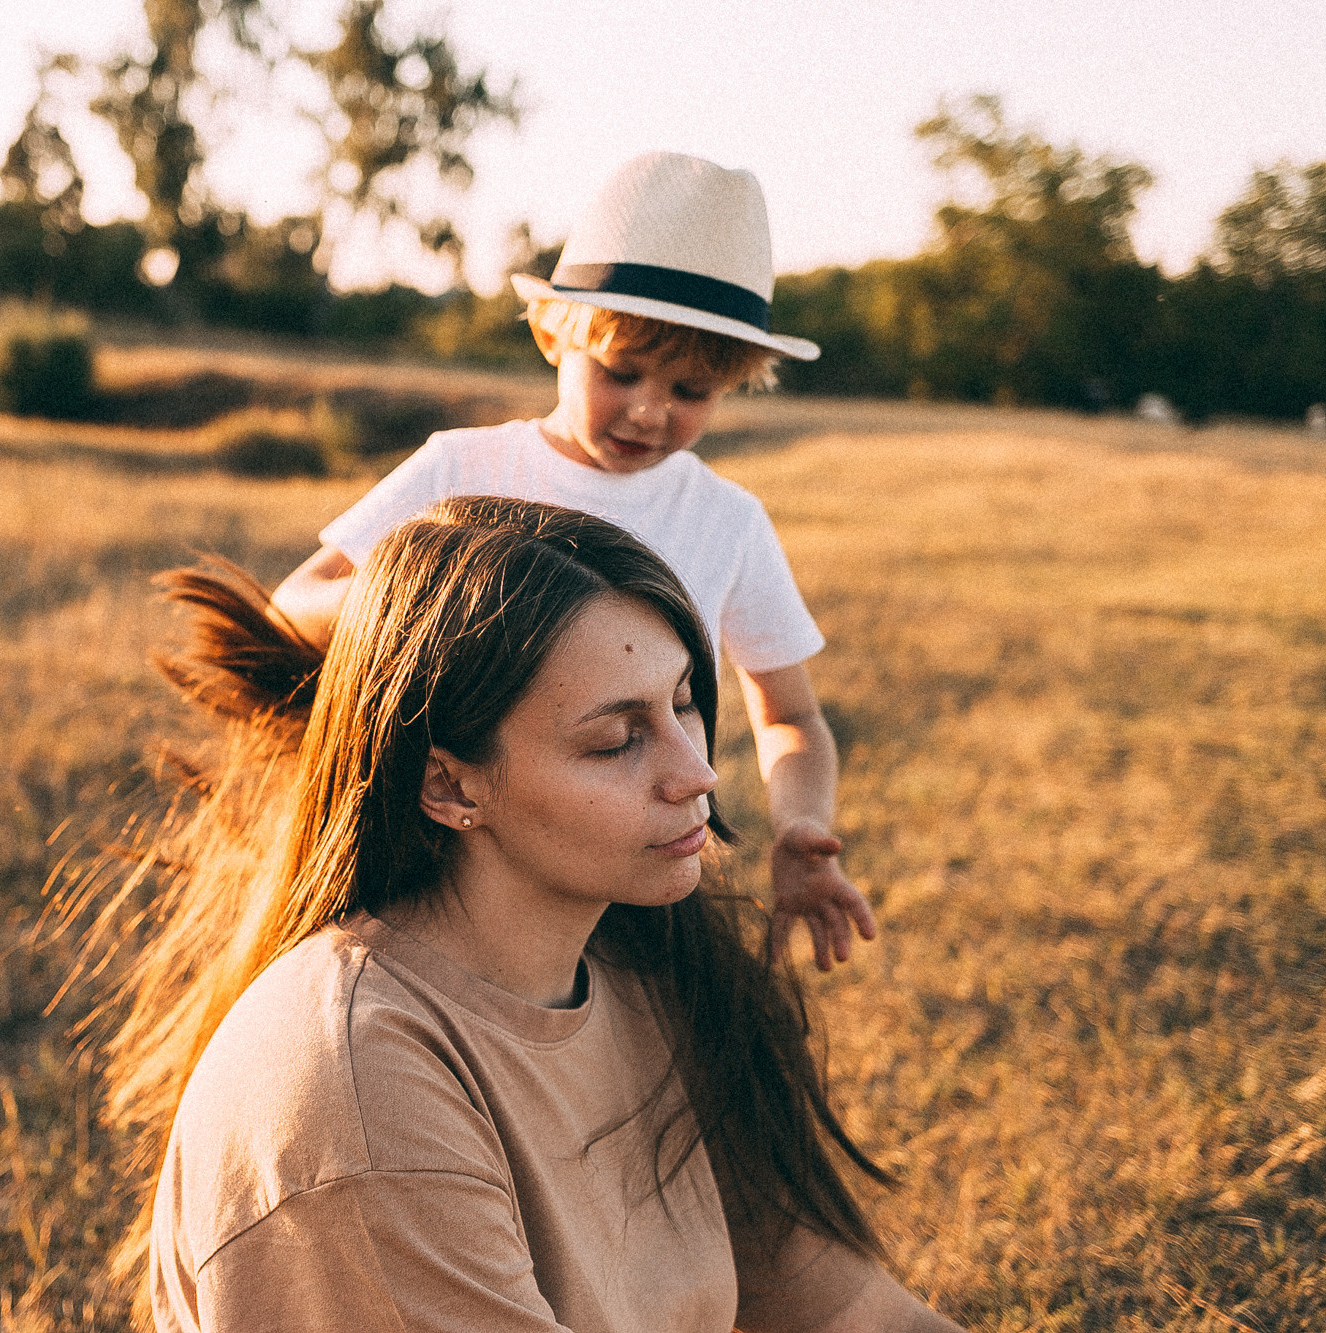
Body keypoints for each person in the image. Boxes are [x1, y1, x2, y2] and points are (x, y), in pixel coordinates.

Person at [105, 497, 963, 1332]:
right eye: (615, 739)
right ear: (449, 783)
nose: (696, 773)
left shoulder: (638, 967)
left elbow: (827, 1299)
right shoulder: (362, 1091)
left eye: (684, 704)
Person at [270, 152, 874, 971]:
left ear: (739, 381)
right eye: (620, 371)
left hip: (639, 876)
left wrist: (802, 824)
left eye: (691, 389)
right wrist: (446, 604)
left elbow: (791, 716)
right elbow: (298, 601)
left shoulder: (727, 521)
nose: (649, 408)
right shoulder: (463, 467)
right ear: (557, 333)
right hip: (445, 864)